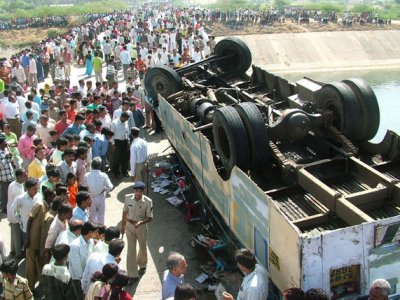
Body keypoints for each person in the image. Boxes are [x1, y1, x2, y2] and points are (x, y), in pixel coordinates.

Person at [121, 181, 153, 282]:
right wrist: (123, 225)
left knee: (142, 247)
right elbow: (125, 211)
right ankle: (132, 275)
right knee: (131, 250)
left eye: (140, 191)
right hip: (130, 226)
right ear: (134, 190)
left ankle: (142, 264)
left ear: (143, 191)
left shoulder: (148, 201)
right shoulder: (127, 198)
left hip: (141, 227)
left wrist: (140, 222)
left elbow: (150, 217)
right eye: (136, 191)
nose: (138, 193)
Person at [69, 221, 97, 300]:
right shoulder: (75, 245)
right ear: (90, 232)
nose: (97, 234)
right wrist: (84, 281)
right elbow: (76, 267)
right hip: (78, 280)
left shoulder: (90, 241)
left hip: (86, 278)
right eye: (96, 232)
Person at [85, 157, 113, 224]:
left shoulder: (86, 175)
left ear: (91, 165)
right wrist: (105, 191)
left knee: (92, 215)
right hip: (101, 196)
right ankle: (101, 229)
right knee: (101, 215)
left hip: (90, 197)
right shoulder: (103, 175)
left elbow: (84, 187)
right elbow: (110, 186)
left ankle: (93, 230)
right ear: (100, 166)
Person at [7, 168, 27, 259]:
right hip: (15, 215)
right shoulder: (16, 188)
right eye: (24, 175)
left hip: (13, 214)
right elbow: (15, 205)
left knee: (14, 235)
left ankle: (13, 250)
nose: (25, 176)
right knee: (17, 236)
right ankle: (18, 254)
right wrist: (16, 218)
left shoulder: (16, 184)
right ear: (19, 176)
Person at [110, 112, 130, 178]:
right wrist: (113, 144)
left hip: (125, 141)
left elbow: (127, 132)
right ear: (122, 117)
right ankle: (117, 173)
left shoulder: (125, 122)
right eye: (126, 119)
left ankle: (125, 172)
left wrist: (128, 141)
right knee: (117, 158)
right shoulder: (114, 123)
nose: (126, 121)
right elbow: (112, 134)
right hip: (117, 142)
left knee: (125, 157)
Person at [0, 135, 15, 213]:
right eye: (4, 142)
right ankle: (4, 208)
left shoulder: (6, 149)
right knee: (4, 193)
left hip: (10, 174)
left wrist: (10, 157)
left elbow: (10, 160)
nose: (5, 143)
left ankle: (11, 206)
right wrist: (6, 158)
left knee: (11, 192)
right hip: (4, 177)